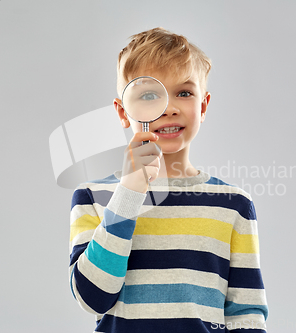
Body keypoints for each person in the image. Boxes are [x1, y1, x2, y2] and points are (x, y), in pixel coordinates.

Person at [69, 27, 269, 333]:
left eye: (185, 93)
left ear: (202, 107)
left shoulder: (234, 204)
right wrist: (129, 192)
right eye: (150, 95)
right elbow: (93, 297)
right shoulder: (93, 197)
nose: (170, 107)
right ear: (123, 112)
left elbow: (246, 315)